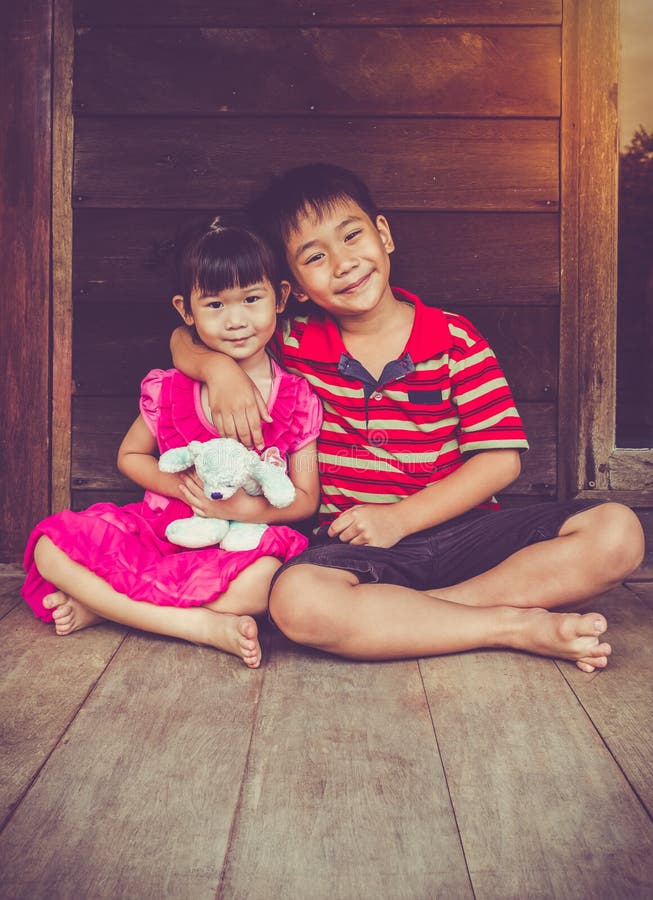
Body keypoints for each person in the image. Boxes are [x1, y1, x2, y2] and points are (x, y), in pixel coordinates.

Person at [171, 165, 645, 672]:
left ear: (385, 234)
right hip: (356, 550)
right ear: (296, 289)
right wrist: (219, 370)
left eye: (352, 236)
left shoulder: (454, 339)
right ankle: (513, 623)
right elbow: (187, 337)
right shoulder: (290, 339)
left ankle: (430, 616)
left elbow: (500, 461)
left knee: (617, 532)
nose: (343, 263)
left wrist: (400, 518)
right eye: (315, 256)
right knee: (297, 600)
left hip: (465, 534)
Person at [23, 217, 322, 667]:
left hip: (233, 550)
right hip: (157, 533)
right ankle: (199, 626)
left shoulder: (297, 398)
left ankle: (108, 608)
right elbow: (130, 456)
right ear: (186, 310)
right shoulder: (170, 388)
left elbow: (305, 500)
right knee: (49, 547)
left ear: (279, 298)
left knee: (267, 583)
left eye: (252, 299)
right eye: (216, 304)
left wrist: (241, 510)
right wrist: (184, 490)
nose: (236, 319)